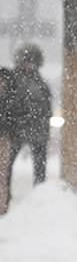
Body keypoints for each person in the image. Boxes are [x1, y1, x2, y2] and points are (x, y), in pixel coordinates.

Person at [10, 44, 52, 186]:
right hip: (17, 129)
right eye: (27, 61)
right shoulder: (13, 81)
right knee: (7, 165)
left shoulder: (41, 84)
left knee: (40, 168)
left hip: (36, 130)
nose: (30, 65)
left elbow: (46, 109)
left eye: (32, 61)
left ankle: (39, 191)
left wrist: (45, 129)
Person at [0, 66, 22, 216]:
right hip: (6, 137)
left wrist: (13, 133)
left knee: (3, 173)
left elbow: (16, 119)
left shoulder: (11, 99)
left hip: (4, 138)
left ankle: (2, 204)